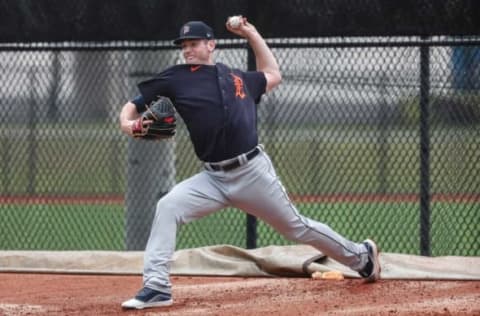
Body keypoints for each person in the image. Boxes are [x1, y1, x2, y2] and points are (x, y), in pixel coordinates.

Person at [119, 17, 381, 310]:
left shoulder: (237, 78)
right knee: (168, 207)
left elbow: (272, 73)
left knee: (297, 227)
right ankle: (156, 286)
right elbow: (137, 101)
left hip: (252, 172)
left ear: (211, 45)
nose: (187, 50)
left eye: (193, 43)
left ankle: (362, 257)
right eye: (184, 45)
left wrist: (250, 32)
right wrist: (125, 122)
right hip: (212, 179)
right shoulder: (176, 77)